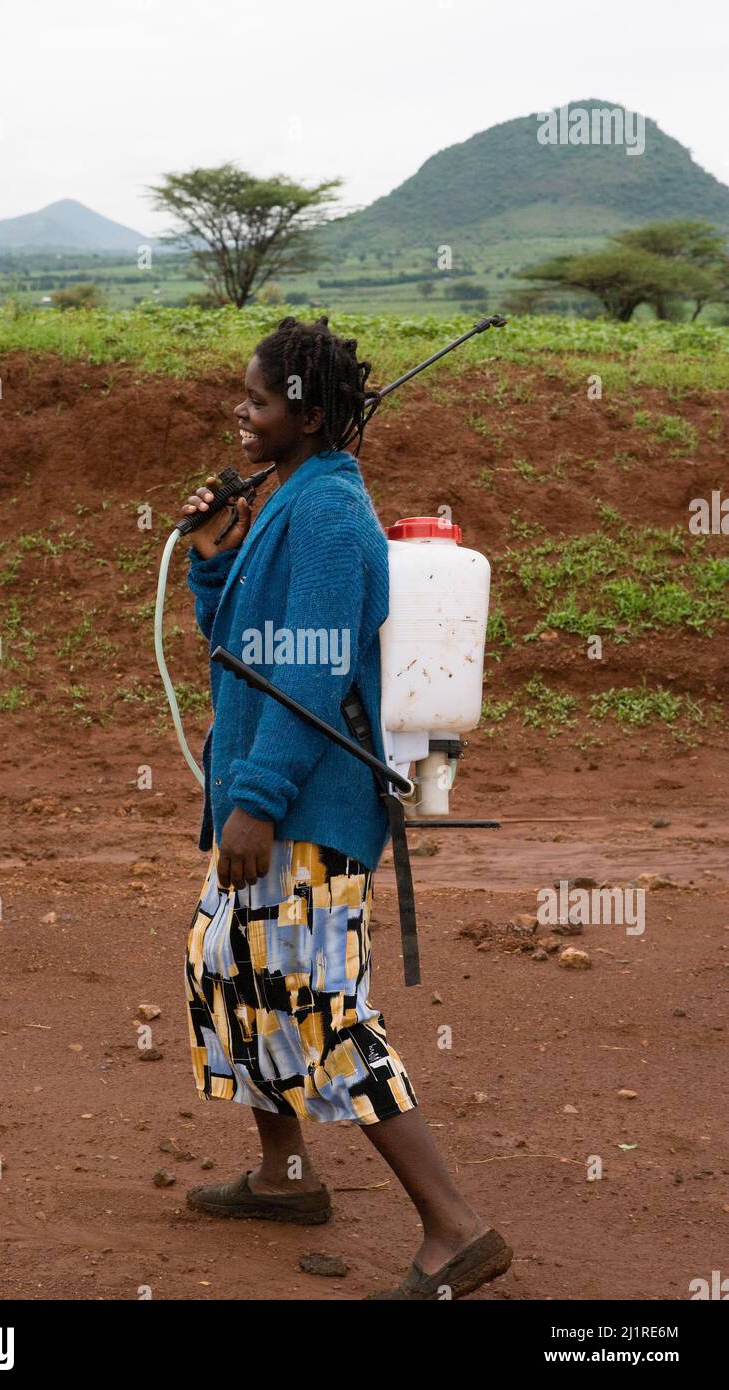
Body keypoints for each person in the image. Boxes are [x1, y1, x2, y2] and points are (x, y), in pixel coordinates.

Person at [178, 315, 512, 1300]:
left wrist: (256, 801)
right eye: (240, 397)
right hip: (268, 796)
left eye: (257, 402)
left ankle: (454, 1228)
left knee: (322, 1011)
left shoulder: (327, 517)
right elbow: (234, 639)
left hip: (304, 808)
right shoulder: (286, 497)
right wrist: (209, 551)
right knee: (227, 966)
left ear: (309, 413)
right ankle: (283, 1173)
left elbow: (310, 674)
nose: (239, 415)